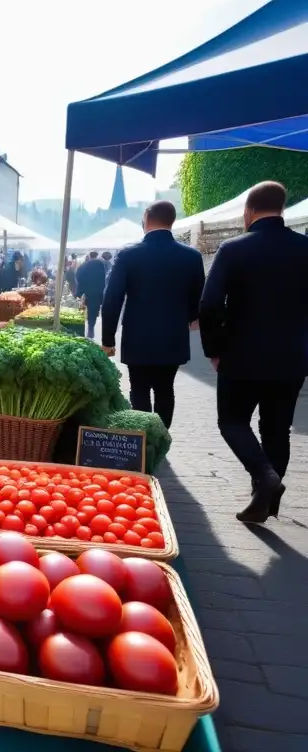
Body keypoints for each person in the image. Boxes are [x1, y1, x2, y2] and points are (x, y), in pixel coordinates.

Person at [200, 181, 308, 523]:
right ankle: (266, 501)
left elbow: (209, 304)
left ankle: (264, 478)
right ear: (283, 208)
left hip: (241, 355)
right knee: (277, 429)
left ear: (248, 210)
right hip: (292, 357)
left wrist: (213, 349)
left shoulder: (234, 249)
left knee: (232, 421)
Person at [100, 201, 204, 429]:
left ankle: (143, 441)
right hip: (173, 337)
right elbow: (198, 296)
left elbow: (112, 299)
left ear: (146, 217)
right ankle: (162, 438)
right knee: (166, 389)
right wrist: (189, 317)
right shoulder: (191, 257)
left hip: (138, 337)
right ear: (172, 220)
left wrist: (108, 339)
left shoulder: (128, 255)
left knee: (139, 388)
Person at [75, 250, 107, 339]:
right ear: (97, 255)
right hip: (96, 293)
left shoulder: (84, 265)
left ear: (89, 256)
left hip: (84, 292)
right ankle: (90, 330)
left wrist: (81, 289)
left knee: (80, 312)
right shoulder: (100, 265)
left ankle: (79, 331)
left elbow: (77, 276)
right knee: (92, 313)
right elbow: (103, 280)